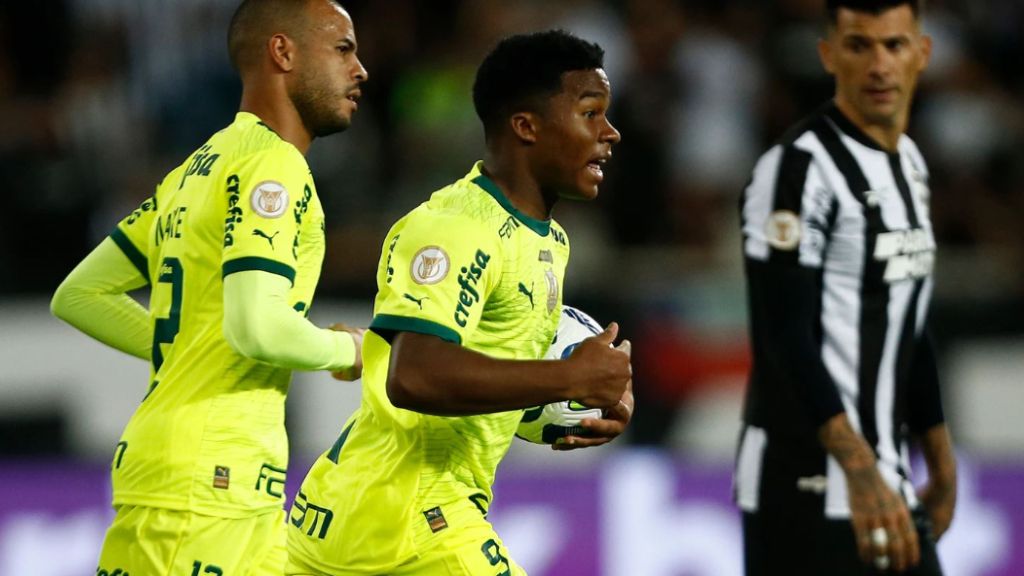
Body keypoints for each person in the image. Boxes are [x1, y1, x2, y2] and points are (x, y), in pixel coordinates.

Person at [285, 30, 634, 576]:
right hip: (408, 520)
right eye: (590, 113)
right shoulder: (454, 228)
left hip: (373, 512)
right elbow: (416, 376)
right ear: (526, 126)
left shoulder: (547, 241)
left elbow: (484, 372)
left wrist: (582, 406)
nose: (610, 133)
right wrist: (568, 381)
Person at [49, 1, 368, 574]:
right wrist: (351, 349)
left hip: (197, 476)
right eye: (342, 48)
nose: (360, 68)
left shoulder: (192, 170)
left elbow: (79, 295)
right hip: (210, 484)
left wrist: (195, 349)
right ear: (283, 52)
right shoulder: (274, 169)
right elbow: (258, 328)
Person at [733, 1, 958, 574]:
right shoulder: (797, 169)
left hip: (883, 474)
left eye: (894, 45)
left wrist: (941, 458)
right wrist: (859, 470)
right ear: (829, 54)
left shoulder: (909, 163)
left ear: (922, 54)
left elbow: (907, 322)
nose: (879, 65)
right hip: (805, 482)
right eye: (859, 46)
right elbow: (786, 336)